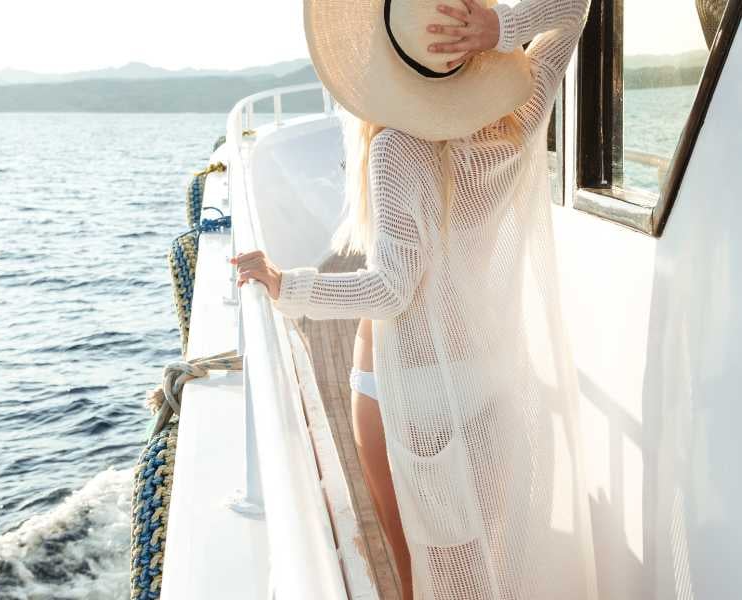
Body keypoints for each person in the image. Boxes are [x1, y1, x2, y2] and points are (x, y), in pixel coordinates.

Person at [231, 0, 597, 598]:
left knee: (418, 573)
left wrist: (286, 285)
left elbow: (391, 288)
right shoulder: (518, 118)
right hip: (490, 373)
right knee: (486, 560)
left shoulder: (398, 147)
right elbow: (574, 10)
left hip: (409, 384)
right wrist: (501, 28)